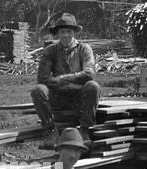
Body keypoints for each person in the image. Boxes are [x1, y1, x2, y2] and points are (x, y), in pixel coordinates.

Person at [31, 13, 101, 149]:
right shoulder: (50, 50)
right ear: (57, 33)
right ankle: (51, 131)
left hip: (78, 97)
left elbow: (89, 73)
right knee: (38, 90)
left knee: (93, 86)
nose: (65, 35)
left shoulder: (84, 49)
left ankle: (84, 130)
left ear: (74, 32)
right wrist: (63, 83)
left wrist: (64, 78)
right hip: (57, 97)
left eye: (68, 31)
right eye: (62, 32)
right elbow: (42, 77)